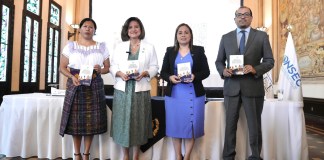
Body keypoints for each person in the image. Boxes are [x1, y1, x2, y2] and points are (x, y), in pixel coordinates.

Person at [215, 6, 274, 160]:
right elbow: (219, 61)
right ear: (235, 18)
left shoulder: (261, 36)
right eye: (239, 15)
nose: (242, 17)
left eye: (246, 14)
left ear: (251, 18)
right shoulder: (225, 38)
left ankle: (255, 156)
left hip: (253, 88)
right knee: (229, 126)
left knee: (254, 126)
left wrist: (255, 69)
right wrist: (223, 71)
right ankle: (228, 156)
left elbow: (269, 61)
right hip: (231, 88)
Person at [59, 18, 110, 160]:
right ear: (80, 29)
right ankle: (77, 154)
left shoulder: (101, 47)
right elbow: (62, 67)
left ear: (94, 30)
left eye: (91, 27)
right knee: (76, 121)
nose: (88, 29)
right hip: (76, 83)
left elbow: (107, 68)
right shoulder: (71, 46)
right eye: (85, 26)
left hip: (95, 84)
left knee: (91, 121)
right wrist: (71, 77)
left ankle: (86, 153)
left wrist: (101, 69)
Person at [109, 17, 159, 160]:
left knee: (138, 123)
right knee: (122, 123)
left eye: (136, 27)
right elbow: (113, 66)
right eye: (130, 27)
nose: (133, 29)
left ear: (141, 30)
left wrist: (145, 73)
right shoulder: (119, 47)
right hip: (122, 90)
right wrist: (119, 73)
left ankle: (136, 156)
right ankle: (125, 156)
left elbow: (155, 66)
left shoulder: (149, 47)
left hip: (140, 89)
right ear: (126, 31)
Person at [160, 23, 210, 160]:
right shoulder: (170, 51)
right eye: (180, 32)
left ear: (191, 35)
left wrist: (195, 76)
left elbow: (206, 72)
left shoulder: (199, 51)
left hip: (193, 95)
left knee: (191, 127)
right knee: (175, 127)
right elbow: (163, 72)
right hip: (174, 95)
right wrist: (170, 77)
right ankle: (178, 156)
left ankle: (187, 156)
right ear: (176, 36)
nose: (183, 35)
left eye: (186, 32)